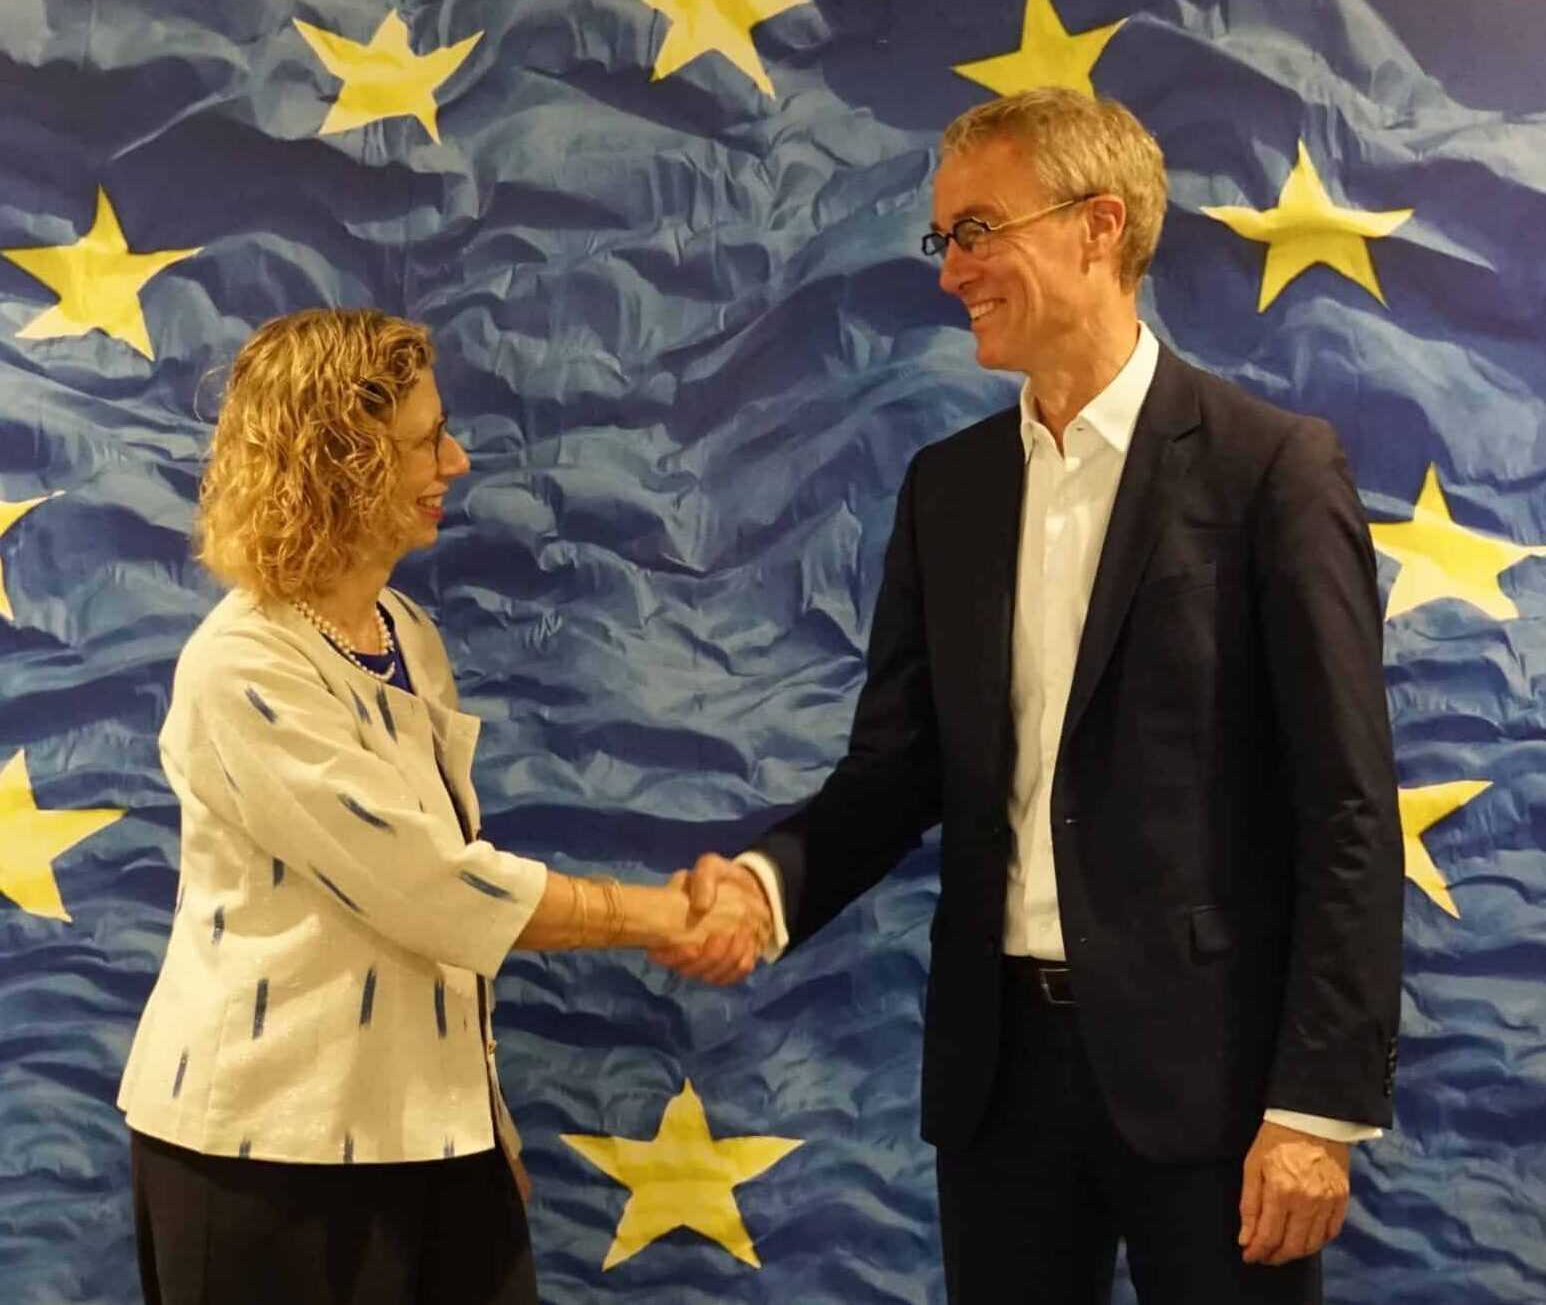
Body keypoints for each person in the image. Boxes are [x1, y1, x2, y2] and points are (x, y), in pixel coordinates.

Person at [659, 88, 1403, 1303]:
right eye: (942, 240)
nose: (951, 272)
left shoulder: (1271, 468)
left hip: (1216, 1089)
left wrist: (1317, 1106)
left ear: (1098, 226)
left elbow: (1349, 814)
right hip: (999, 1083)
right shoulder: (945, 491)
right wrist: (767, 882)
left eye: (976, 232)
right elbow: (896, 771)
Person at [118, 308, 771, 1305]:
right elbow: (432, 891)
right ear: (336, 463)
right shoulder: (240, 665)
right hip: (263, 1165)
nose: (456, 462)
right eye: (426, 440)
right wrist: (662, 916)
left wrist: (481, 1128)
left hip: (427, 1142)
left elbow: (435, 932)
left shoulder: (405, 632)